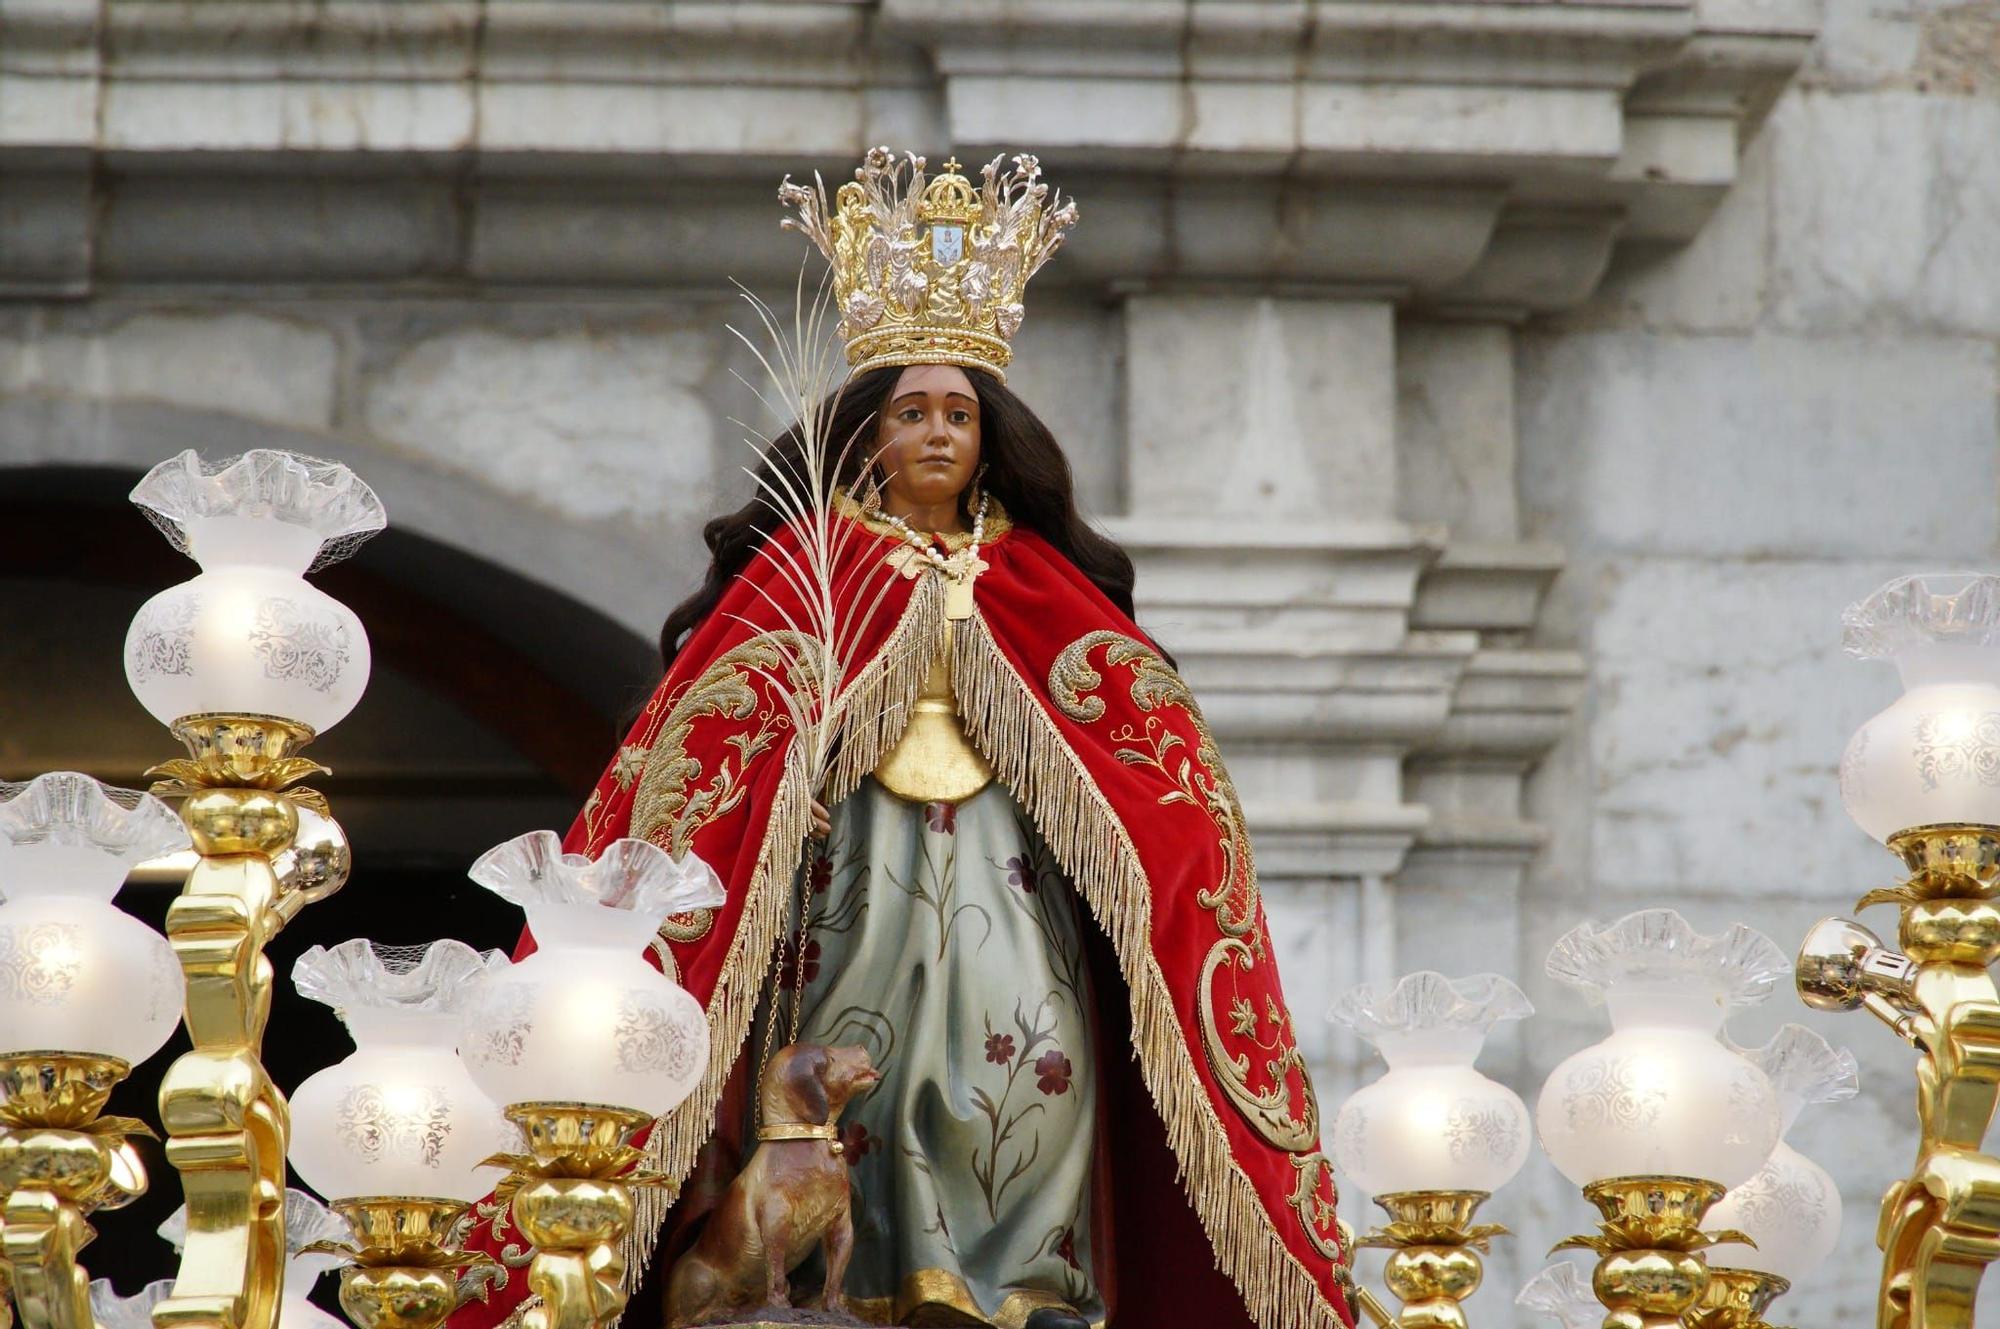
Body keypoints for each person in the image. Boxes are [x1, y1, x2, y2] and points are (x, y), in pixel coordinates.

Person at [451, 149, 1354, 1329]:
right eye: (911, 412)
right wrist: (792, 792)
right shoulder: (805, 573)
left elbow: (1151, 783)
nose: (935, 434)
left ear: (992, 438)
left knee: (1015, 1071)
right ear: (867, 432)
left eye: (958, 415)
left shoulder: (1041, 585)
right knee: (853, 1075)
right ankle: (849, 1279)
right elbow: (715, 750)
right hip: (849, 881)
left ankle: (1012, 1281)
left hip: (1007, 873)